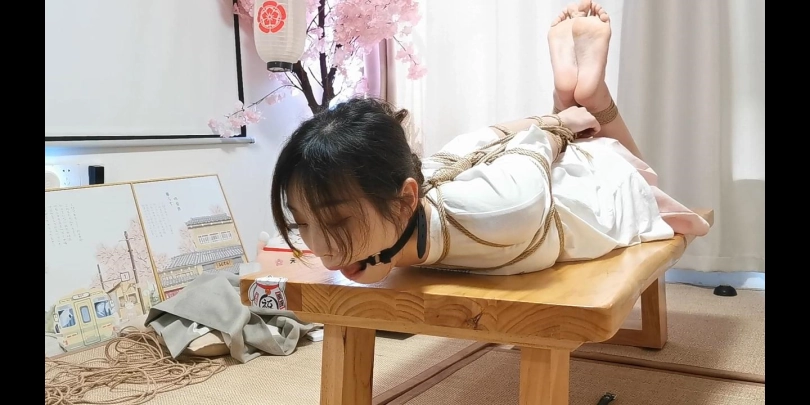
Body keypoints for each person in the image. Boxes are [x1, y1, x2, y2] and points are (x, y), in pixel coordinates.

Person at [270, 0, 710, 284]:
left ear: (405, 200)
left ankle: (589, 99)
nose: (321, 248)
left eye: (337, 221)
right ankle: (576, 100)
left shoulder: (501, 209)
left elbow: (532, 151)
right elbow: (482, 140)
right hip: (518, 183)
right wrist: (554, 121)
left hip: (575, 200)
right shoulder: (423, 181)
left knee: (630, 170)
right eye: (302, 224)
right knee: (491, 145)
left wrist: (560, 124)